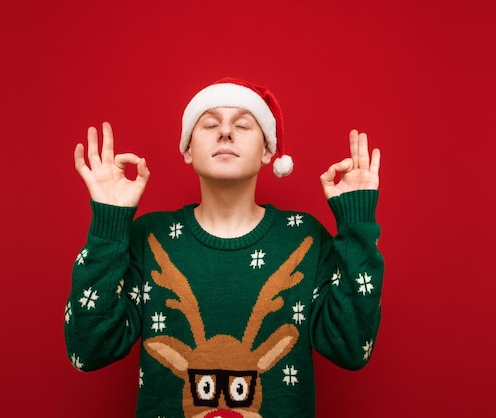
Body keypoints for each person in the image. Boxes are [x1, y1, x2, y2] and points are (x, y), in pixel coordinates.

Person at [65, 77, 383, 417]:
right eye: (210, 123)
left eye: (243, 124)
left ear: (267, 152)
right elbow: (88, 349)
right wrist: (109, 224)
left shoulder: (303, 239)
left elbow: (351, 348)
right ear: (187, 149)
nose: (225, 132)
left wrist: (356, 225)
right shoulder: (149, 239)